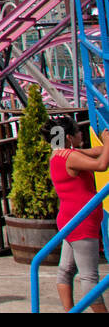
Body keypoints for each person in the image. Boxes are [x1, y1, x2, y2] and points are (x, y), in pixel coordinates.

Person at [48, 116, 109, 312]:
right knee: (89, 276)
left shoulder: (59, 154)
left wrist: (105, 144)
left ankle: (69, 310)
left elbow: (96, 152)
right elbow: (101, 165)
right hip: (81, 222)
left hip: (69, 220)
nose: (81, 133)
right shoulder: (71, 157)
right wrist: (108, 141)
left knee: (66, 270)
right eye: (77, 131)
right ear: (68, 137)